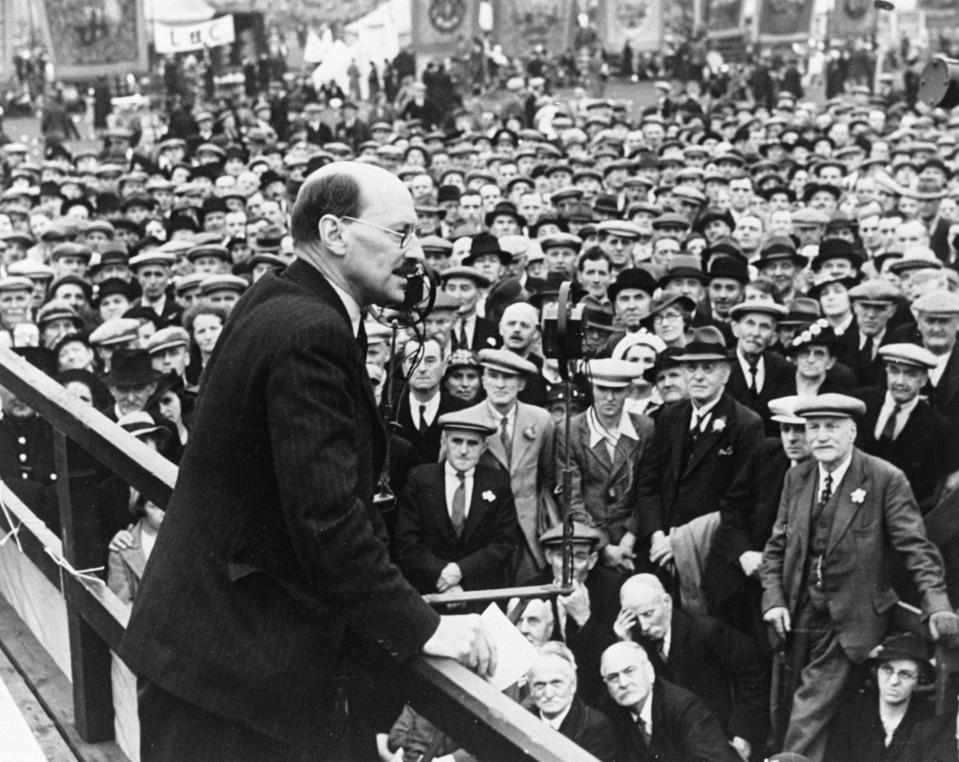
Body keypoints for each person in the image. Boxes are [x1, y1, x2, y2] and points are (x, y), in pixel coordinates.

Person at [120, 162, 495, 762]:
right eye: (401, 234)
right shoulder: (312, 333)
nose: (417, 253)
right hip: (231, 682)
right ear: (335, 233)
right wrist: (424, 628)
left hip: (207, 655)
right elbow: (327, 521)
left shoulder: (276, 296)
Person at [760, 393, 959, 761]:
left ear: (852, 431)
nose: (820, 436)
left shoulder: (884, 479)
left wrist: (938, 606)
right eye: (813, 427)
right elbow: (776, 547)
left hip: (851, 620)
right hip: (796, 617)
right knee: (785, 712)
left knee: (806, 715)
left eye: (831, 427)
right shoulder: (798, 477)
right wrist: (772, 600)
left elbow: (917, 549)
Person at [636, 326, 764, 614]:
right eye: (691, 367)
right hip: (661, 551)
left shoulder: (745, 424)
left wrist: (680, 543)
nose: (698, 375)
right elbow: (648, 483)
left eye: (708, 368)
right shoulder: (671, 416)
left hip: (710, 553)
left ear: (725, 374)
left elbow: (740, 503)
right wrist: (657, 535)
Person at [614, 574, 768, 760]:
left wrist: (744, 734)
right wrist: (625, 644)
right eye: (635, 618)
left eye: (648, 614)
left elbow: (754, 675)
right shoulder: (636, 639)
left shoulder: (707, 631)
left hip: (722, 738)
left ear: (667, 602)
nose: (644, 626)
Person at [392, 410, 520, 596]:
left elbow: (504, 542)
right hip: (431, 590)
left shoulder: (497, 482)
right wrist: (443, 577)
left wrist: (461, 572)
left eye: (472, 443)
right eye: (457, 441)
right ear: (444, 441)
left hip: (479, 590)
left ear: (484, 447)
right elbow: (407, 541)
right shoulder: (420, 479)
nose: (464, 451)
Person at [464, 348, 557, 579]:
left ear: (522, 384)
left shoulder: (541, 421)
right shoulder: (466, 421)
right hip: (482, 534)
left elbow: (550, 477)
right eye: (493, 376)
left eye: (508, 377)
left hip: (529, 533)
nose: (500, 384)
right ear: (483, 380)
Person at [556, 358, 654, 571]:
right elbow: (571, 498)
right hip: (589, 543)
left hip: (634, 543)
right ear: (592, 388)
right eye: (602, 389)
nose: (609, 398)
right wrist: (602, 546)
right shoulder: (570, 430)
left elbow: (649, 487)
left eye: (617, 391)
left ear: (629, 391)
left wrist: (631, 535)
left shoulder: (645, 428)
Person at [599, 641, 740, 762]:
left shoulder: (684, 707)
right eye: (613, 677)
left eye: (629, 671)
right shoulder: (607, 710)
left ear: (649, 671)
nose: (623, 683)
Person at [824, 632, 945, 762]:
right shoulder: (851, 713)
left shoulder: (929, 718)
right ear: (876, 672)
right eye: (887, 670)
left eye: (905, 674)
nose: (893, 681)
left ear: (919, 680)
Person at [527, 642, 616, 762]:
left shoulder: (596, 726)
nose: (548, 694)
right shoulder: (523, 719)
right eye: (539, 685)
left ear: (573, 685)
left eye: (556, 683)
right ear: (531, 690)